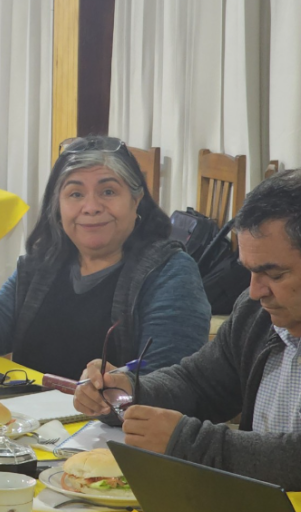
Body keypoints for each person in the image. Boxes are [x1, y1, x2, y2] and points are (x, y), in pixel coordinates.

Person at [74, 169, 301, 490]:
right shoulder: (256, 315)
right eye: (249, 272)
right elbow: (199, 384)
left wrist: (186, 441)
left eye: (274, 275)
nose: (255, 291)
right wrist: (127, 392)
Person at [0, 136, 210, 381]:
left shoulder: (170, 272)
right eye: (76, 194)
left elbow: (170, 381)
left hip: (114, 410)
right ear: (57, 206)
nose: (91, 207)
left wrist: (121, 385)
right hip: (28, 408)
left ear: (136, 200)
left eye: (108, 191)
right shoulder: (43, 262)